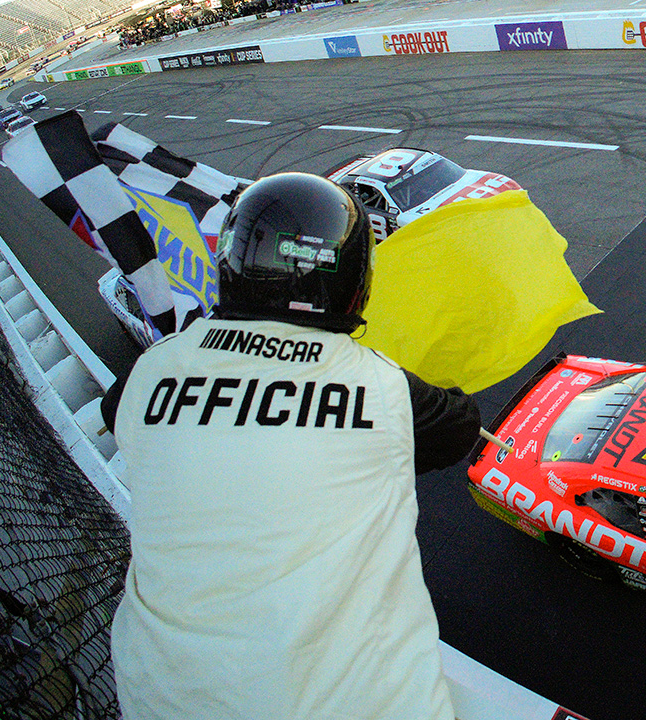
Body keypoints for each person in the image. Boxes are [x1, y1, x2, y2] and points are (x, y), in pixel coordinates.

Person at [101, 172, 480, 719]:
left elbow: (122, 418)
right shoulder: (380, 386)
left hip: (159, 700)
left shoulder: (151, 371)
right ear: (354, 276)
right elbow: (459, 427)